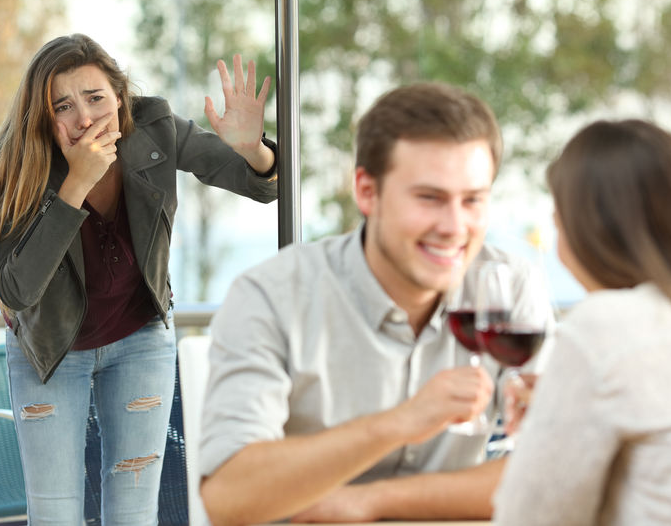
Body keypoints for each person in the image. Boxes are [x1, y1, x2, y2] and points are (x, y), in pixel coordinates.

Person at [200, 82, 537, 526]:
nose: (455, 226)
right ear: (366, 191)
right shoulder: (272, 297)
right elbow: (229, 497)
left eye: (473, 200)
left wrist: (368, 501)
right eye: (429, 198)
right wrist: (400, 422)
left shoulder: (506, 288)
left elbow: (549, 475)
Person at [0, 33, 277, 524]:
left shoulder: (155, 128)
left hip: (140, 339)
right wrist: (77, 182)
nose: (86, 117)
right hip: (49, 352)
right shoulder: (19, 163)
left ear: (120, 96)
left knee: (133, 513)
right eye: (64, 106)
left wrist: (254, 150)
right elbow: (16, 291)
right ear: (43, 117)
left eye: (96, 98)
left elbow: (263, 185)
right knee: (55, 516)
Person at [493, 119, 671, 525]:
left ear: (589, 228)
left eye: (557, 217)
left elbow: (528, 519)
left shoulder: (609, 324)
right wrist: (564, 411)